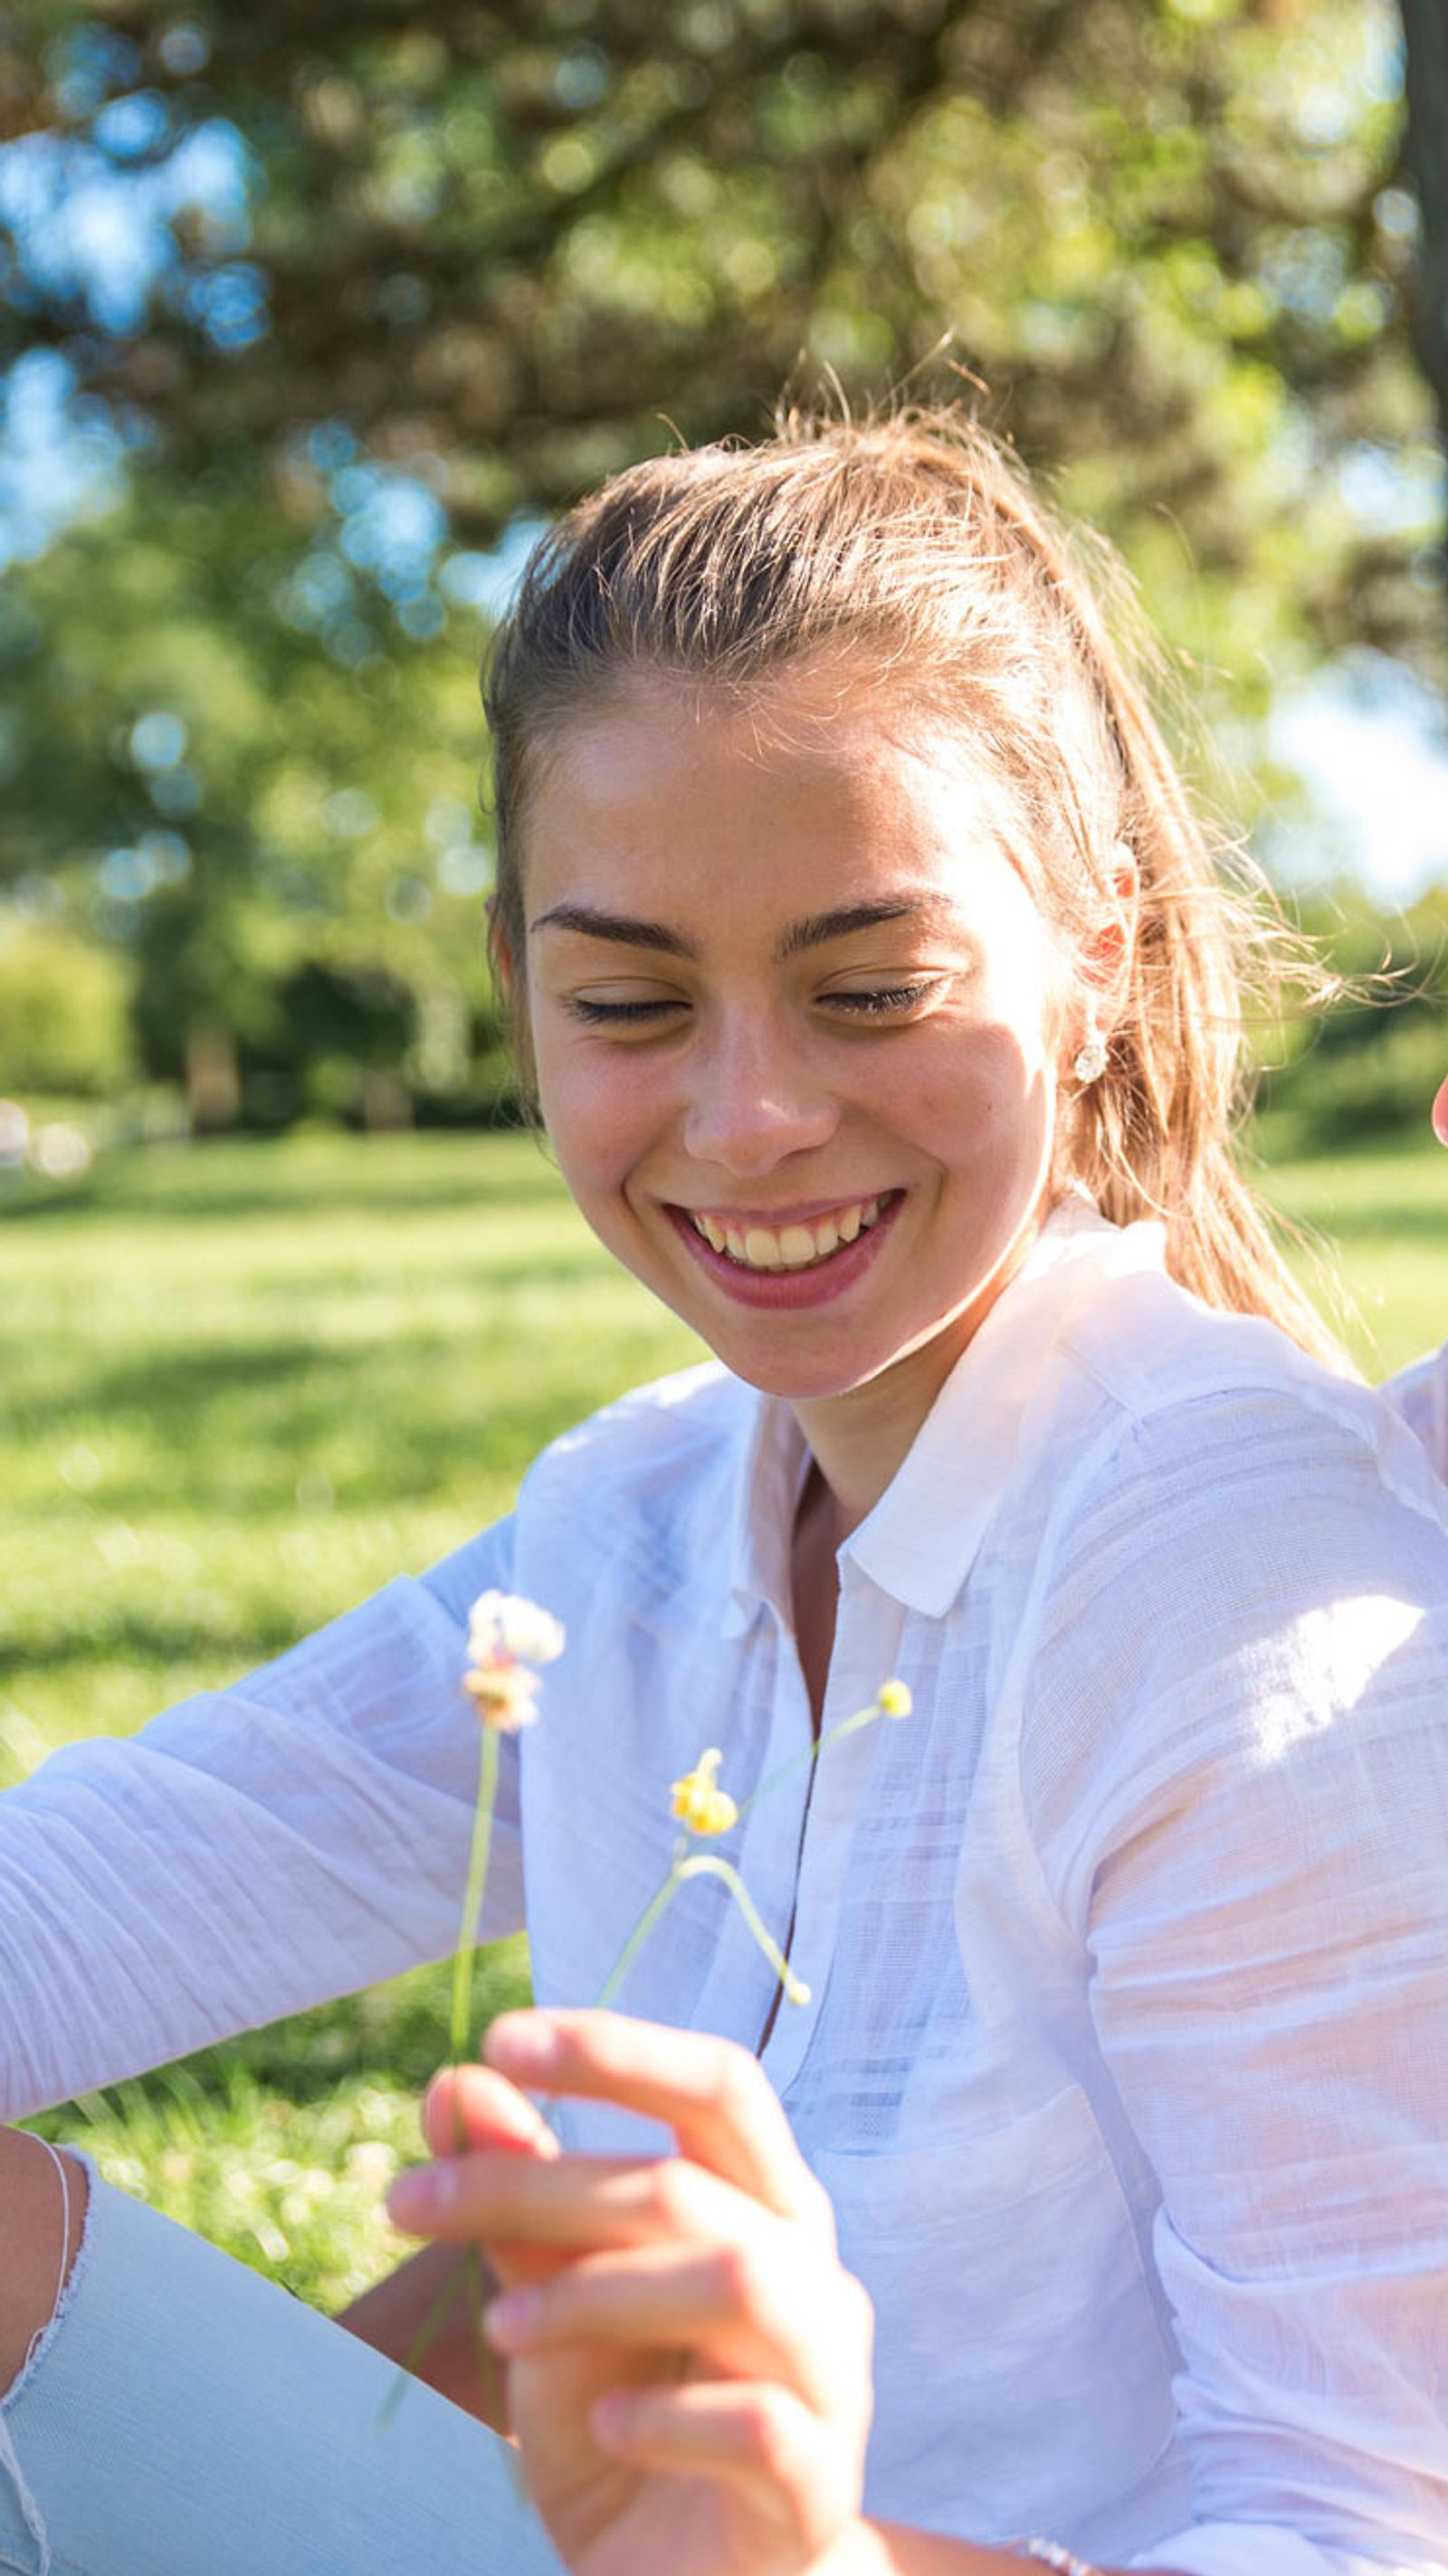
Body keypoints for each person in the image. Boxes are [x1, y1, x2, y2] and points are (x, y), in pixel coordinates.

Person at [3, 408, 1448, 2576]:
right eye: (626, 998)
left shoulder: (1238, 1585)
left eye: (869, 987)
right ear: (515, 989)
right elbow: (118, 1883)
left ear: (1102, 966)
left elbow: (1364, 2535)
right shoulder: (641, 1520)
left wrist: (815, 2563)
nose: (749, 1112)